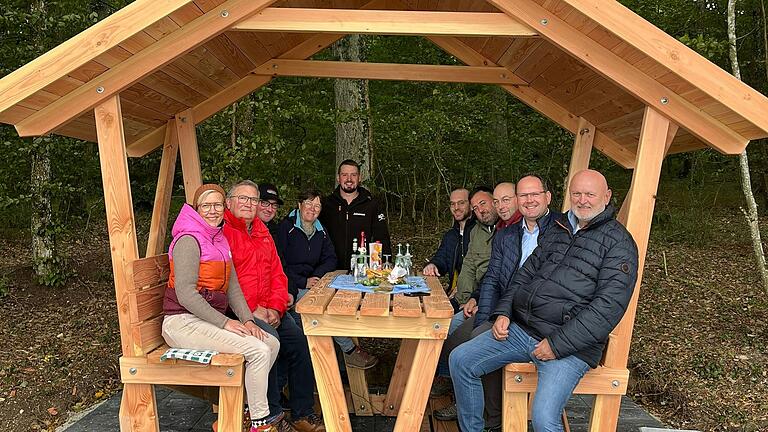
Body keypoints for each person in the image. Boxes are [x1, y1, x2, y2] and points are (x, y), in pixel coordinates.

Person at [449, 170, 639, 432]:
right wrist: (503, 312)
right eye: (576, 194)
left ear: (606, 196)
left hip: (569, 346)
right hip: (524, 329)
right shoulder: (559, 229)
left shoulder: (619, 243)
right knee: (460, 360)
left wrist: (557, 344)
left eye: (590, 194)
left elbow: (607, 308)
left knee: (543, 419)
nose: (582, 200)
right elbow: (525, 273)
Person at [433, 175, 558, 428]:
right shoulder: (508, 233)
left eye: (506, 200)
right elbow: (492, 278)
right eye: (497, 201)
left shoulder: (561, 232)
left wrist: (492, 315)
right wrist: (485, 313)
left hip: (538, 325)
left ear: (547, 197)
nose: (501, 206)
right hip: (501, 312)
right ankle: (474, 409)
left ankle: (492, 418)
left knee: (473, 340)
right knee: (459, 340)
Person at [161, 184, 282, 432]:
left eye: (217, 205)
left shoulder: (218, 238)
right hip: (181, 322)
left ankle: (238, 413)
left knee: (271, 343)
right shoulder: (188, 239)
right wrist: (226, 322)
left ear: (224, 207)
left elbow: (233, 287)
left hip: (202, 320)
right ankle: (260, 423)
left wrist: (247, 320)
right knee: (258, 351)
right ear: (196, 209)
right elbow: (185, 294)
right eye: (207, 205)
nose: (213, 210)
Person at [224, 181, 325, 432]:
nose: (249, 204)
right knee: (268, 342)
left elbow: (278, 273)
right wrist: (253, 310)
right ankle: (270, 416)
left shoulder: (261, 230)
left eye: (253, 200)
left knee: (301, 342)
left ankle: (303, 413)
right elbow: (225, 282)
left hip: (270, 308)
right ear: (229, 203)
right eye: (242, 199)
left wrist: (277, 308)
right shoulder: (223, 232)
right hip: (239, 312)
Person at [319, 159, 391, 271]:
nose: (349, 179)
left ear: (359, 178)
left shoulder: (372, 205)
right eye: (344, 175)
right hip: (331, 271)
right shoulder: (326, 205)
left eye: (353, 175)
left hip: (365, 271)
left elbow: (382, 239)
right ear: (338, 178)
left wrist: (385, 264)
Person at [276, 188, 337, 312]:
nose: (312, 209)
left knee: (336, 299)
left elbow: (331, 258)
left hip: (312, 284)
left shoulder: (321, 230)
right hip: (289, 286)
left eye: (317, 206)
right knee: (318, 307)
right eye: (309, 203)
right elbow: (278, 264)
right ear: (300, 205)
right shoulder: (286, 227)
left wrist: (316, 276)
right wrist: (303, 282)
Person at [422, 188, 475, 295]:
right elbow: (442, 258)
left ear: (471, 205)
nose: (456, 208)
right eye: (452, 204)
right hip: (453, 292)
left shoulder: (480, 234)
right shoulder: (451, 235)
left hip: (474, 296)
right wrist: (433, 265)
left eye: (461, 203)